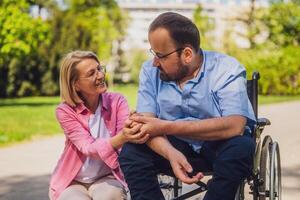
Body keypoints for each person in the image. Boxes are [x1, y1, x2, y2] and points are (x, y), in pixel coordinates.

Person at [119, 12, 256, 200]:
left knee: (241, 147)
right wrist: (170, 153)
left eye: (160, 55)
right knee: (132, 152)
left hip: (217, 144)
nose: (155, 62)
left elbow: (235, 125)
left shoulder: (226, 68)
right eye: (153, 53)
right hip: (173, 145)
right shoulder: (150, 71)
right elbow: (145, 125)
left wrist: (166, 126)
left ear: (187, 54)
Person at [49, 50, 149, 200]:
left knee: (110, 196)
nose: (101, 75)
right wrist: (122, 137)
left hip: (108, 175)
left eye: (99, 69)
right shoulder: (65, 111)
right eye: (91, 73)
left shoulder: (117, 101)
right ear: (75, 85)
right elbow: (88, 147)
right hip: (72, 181)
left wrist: (132, 125)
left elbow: (125, 136)